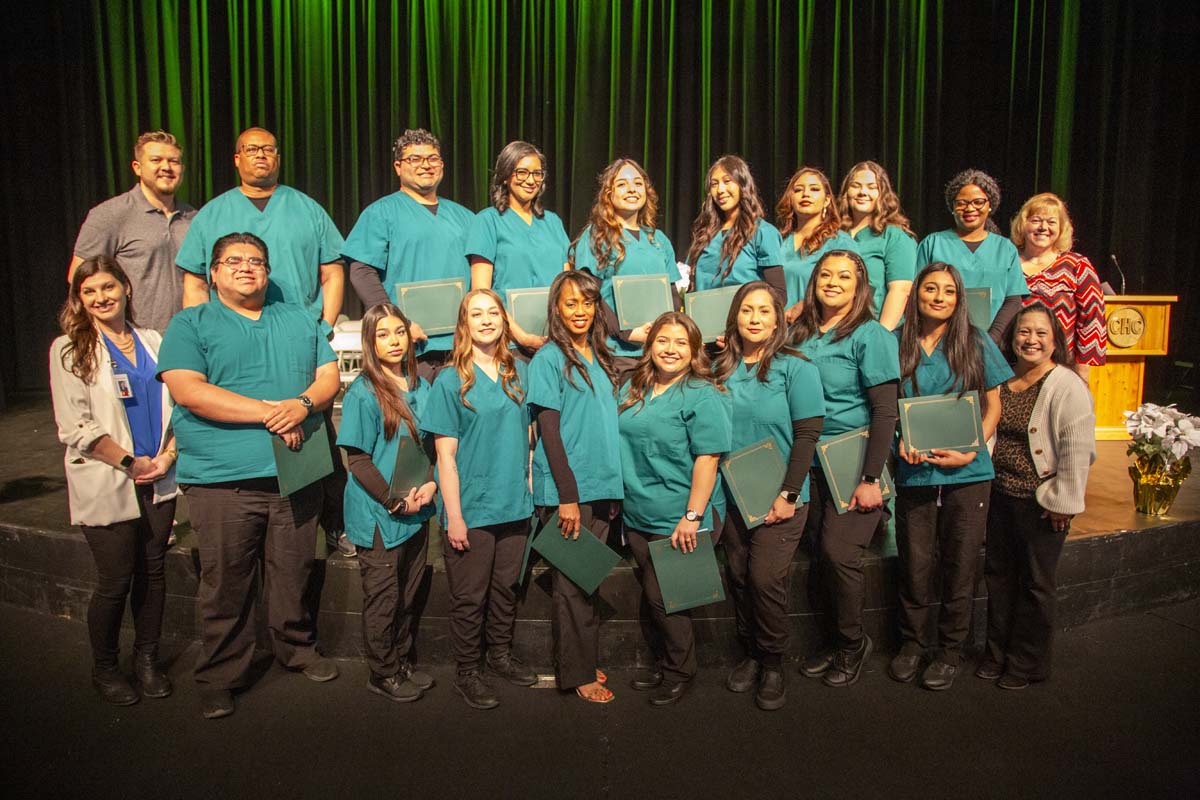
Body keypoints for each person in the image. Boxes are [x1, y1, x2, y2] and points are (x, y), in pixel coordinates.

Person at [158, 232, 343, 719]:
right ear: (213, 273)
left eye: (257, 261)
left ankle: (297, 649)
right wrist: (270, 412)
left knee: (294, 572)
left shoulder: (300, 317)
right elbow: (189, 390)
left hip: (297, 474)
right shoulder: (190, 323)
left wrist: (301, 405)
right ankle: (221, 672)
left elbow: (328, 378)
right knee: (226, 582)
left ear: (268, 271)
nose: (246, 267)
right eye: (233, 261)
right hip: (224, 479)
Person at [175, 126, 350, 555]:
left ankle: (334, 524)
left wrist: (322, 327)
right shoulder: (213, 214)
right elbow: (195, 281)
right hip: (233, 337)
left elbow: (332, 272)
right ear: (236, 158)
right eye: (251, 150)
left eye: (269, 149)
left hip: (297, 337)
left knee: (319, 437)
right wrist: (201, 327)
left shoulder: (307, 208)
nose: (261, 156)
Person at [49, 257, 178, 705]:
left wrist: (167, 456)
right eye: (90, 292)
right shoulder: (68, 349)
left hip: (159, 475)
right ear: (80, 300)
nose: (101, 298)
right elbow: (75, 428)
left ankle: (146, 660)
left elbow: (178, 404)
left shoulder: (155, 340)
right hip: (111, 477)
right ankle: (105, 669)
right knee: (115, 579)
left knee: (154, 572)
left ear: (126, 287)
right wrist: (131, 463)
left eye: (108, 287)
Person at [890, 262, 1012, 690]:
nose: (939, 297)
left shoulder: (975, 341)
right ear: (916, 293)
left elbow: (994, 406)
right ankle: (912, 644)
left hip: (968, 473)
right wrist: (898, 444)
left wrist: (971, 449)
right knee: (915, 563)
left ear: (959, 298)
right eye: (930, 289)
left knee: (960, 564)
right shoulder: (895, 343)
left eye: (948, 291)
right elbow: (886, 409)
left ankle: (950, 650)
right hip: (915, 471)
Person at [420, 289, 537, 710]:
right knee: (470, 596)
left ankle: (500, 655)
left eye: (493, 312)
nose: (486, 320)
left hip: (514, 505)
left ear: (505, 320)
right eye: (476, 314)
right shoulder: (450, 380)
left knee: (506, 588)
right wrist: (454, 516)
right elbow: (445, 457)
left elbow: (529, 440)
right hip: (470, 505)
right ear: (464, 324)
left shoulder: (520, 371)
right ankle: (468, 672)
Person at [713, 281, 825, 710]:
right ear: (735, 318)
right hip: (731, 494)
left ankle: (773, 662)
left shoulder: (796, 367)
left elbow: (808, 434)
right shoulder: (718, 368)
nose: (755, 318)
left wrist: (789, 493)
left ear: (779, 318)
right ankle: (751, 654)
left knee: (765, 578)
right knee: (739, 577)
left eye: (764, 311)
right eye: (747, 310)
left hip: (782, 495)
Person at [791, 250, 900, 688]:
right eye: (826, 274)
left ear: (860, 286)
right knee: (819, 556)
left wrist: (871, 479)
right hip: (807, 462)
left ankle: (854, 644)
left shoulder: (870, 335)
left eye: (844, 276)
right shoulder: (800, 333)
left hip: (853, 462)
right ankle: (833, 641)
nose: (833, 282)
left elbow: (885, 412)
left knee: (840, 554)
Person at [618, 312, 732, 706]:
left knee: (664, 596)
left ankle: (681, 671)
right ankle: (664, 662)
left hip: (682, 514)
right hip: (639, 511)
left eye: (682, 343)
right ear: (649, 346)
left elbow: (708, 459)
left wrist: (693, 517)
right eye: (663, 340)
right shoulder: (632, 387)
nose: (671, 349)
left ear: (695, 350)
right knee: (655, 598)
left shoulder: (703, 393)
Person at [980, 302, 1095, 690]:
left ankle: (1027, 662)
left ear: (1054, 340)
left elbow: (1078, 450)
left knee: (1034, 584)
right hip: (999, 496)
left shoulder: (1066, 385)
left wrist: (1064, 502)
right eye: (1023, 332)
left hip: (1041, 503)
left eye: (1041, 333)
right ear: (1012, 339)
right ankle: (996, 654)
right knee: (998, 578)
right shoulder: (1001, 377)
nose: (1031, 340)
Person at [527, 271, 623, 704]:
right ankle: (577, 673)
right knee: (571, 586)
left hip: (600, 488)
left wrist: (612, 492)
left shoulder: (600, 355)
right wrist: (567, 496)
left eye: (587, 303)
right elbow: (550, 431)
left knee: (587, 581)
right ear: (557, 309)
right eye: (570, 304)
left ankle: (580, 659)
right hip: (571, 493)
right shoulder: (549, 358)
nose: (580, 311)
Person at [336, 303, 438, 704]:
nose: (394, 341)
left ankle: (401, 660)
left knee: (407, 594)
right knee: (384, 597)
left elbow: (432, 446)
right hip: (381, 514)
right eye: (383, 334)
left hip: (418, 509)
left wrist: (430, 486)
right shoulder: (363, 392)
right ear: (369, 342)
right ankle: (383, 673)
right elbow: (357, 459)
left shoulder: (422, 387)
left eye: (399, 332)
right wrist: (393, 501)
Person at [344, 128, 475, 377]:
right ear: (398, 166)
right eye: (415, 159)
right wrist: (397, 323)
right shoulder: (380, 213)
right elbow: (361, 272)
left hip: (461, 348)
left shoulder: (466, 217)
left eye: (433, 158)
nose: (426, 165)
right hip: (409, 348)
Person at [69, 131, 196, 333]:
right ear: (137, 167)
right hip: (132, 341)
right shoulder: (110, 214)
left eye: (174, 161)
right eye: (156, 160)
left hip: (185, 340)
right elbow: (80, 277)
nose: (166, 167)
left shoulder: (194, 218)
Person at [571, 158, 681, 378]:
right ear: (608, 194)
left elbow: (672, 295)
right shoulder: (596, 236)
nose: (632, 189)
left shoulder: (658, 239)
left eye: (638, 183)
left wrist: (663, 331)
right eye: (622, 184)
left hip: (657, 352)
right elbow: (589, 295)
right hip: (616, 353)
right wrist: (627, 332)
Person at [465, 140, 569, 356]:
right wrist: (520, 335)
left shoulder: (553, 222)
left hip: (556, 339)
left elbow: (568, 282)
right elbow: (481, 291)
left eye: (537, 174)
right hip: (509, 343)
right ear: (505, 176)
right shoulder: (487, 221)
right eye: (521, 172)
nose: (530, 180)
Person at [914, 169, 1029, 342]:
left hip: (991, 343)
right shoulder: (933, 244)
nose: (970, 208)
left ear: (990, 205)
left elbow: (1013, 300)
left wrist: (991, 340)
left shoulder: (1005, 248)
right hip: (939, 341)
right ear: (952, 207)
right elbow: (916, 294)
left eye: (978, 202)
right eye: (961, 203)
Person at [1010, 192, 1107, 382]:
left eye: (1051, 222)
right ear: (1023, 224)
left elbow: (1092, 320)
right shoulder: (1006, 262)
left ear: (1062, 228)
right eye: (1036, 220)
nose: (1043, 227)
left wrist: (1082, 369)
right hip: (1011, 367)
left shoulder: (1077, 265)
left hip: (1062, 369)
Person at [685, 155, 786, 300]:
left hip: (742, 320)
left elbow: (779, 294)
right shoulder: (704, 235)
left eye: (727, 181)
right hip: (703, 320)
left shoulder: (762, 232)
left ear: (742, 185)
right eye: (714, 184)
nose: (720, 190)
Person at [836, 160, 917, 330]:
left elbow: (900, 291)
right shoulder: (834, 235)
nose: (863, 192)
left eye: (872, 187)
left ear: (883, 194)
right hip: (834, 331)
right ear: (846, 192)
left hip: (873, 329)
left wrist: (881, 335)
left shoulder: (895, 236)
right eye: (856, 186)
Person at [776, 166, 859, 319]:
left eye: (814, 189)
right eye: (798, 190)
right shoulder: (778, 241)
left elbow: (858, 291)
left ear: (827, 200)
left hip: (816, 330)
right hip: (776, 333)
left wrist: (805, 305)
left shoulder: (839, 242)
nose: (805, 194)